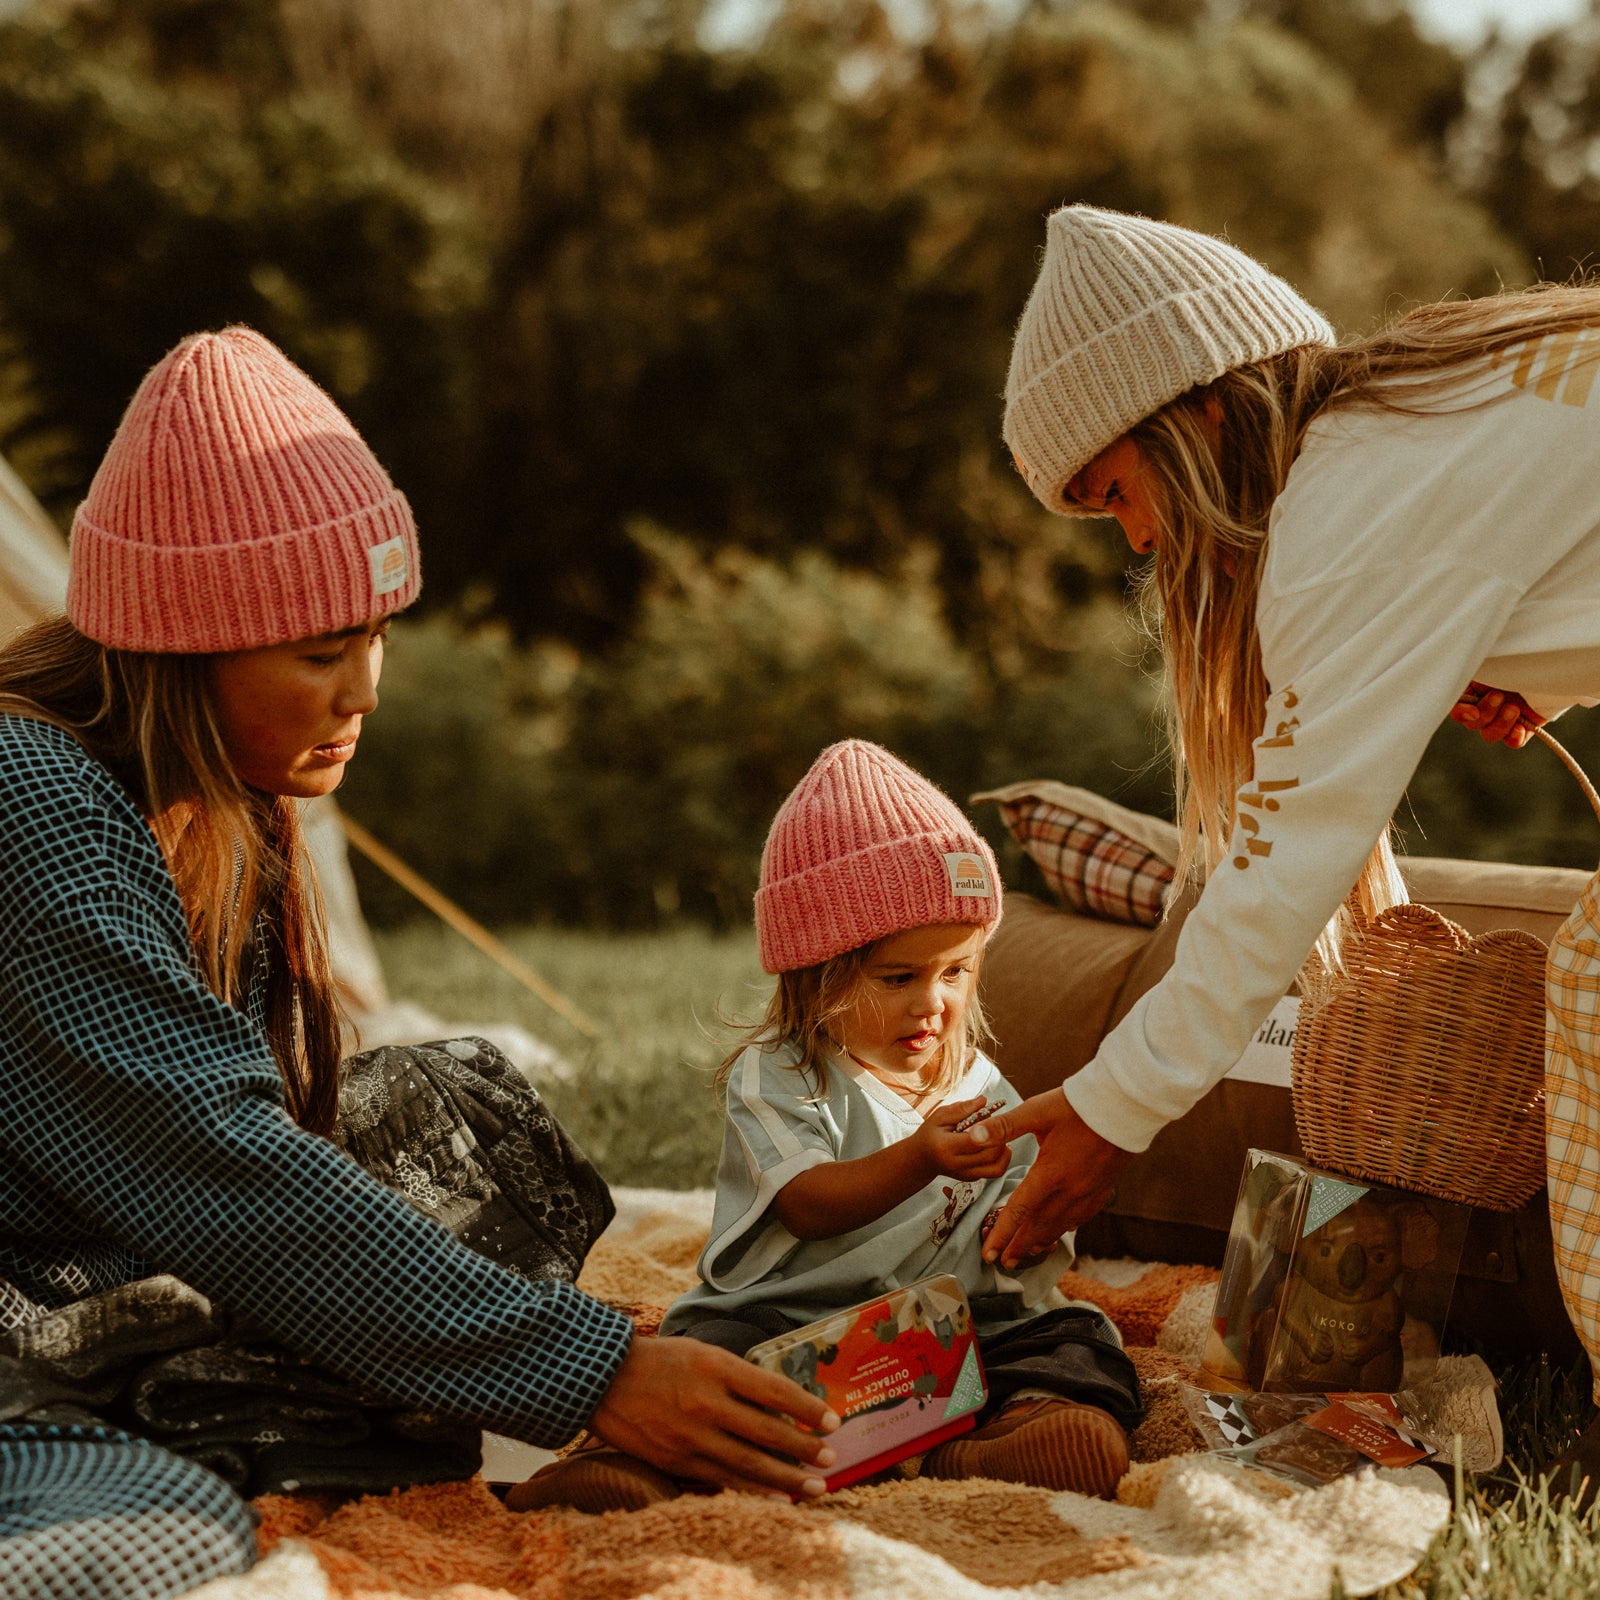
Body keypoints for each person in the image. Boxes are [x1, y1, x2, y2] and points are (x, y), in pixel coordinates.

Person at [0, 328, 836, 1599]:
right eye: (320, 653)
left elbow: (261, 1134)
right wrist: (597, 1371)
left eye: (376, 636)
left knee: (459, 1118)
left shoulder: (224, 795)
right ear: (177, 647)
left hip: (106, 1242)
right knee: (165, 1532)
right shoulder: (33, 799)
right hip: (39, 1292)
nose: (367, 692)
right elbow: (213, 1160)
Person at [968, 203, 1600, 1492]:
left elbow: (1277, 876)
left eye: (1117, 493)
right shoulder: (1414, 417)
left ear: (1197, 414)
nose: (1137, 541)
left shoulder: (1343, 521)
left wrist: (1109, 1108)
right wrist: (1540, 652)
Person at [519, 739, 1141, 1513]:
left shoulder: (976, 1080)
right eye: (899, 977)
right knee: (706, 1367)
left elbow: (1017, 1216)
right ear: (817, 974)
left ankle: (1012, 1432)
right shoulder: (782, 1074)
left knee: (1076, 1343)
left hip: (948, 1331)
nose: (934, 1003)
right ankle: (633, 1466)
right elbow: (807, 1203)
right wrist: (921, 1158)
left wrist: (1030, 1226)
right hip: (795, 1325)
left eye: (957, 971)